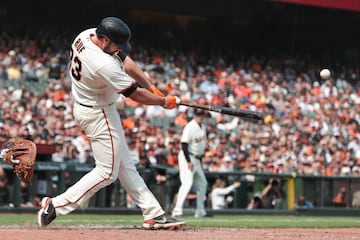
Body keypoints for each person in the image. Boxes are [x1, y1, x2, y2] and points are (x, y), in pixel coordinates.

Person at [37, 16, 184, 230]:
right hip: (98, 112)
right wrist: (163, 102)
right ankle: (55, 205)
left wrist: (151, 86)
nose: (120, 49)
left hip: (92, 106)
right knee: (107, 171)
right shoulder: (102, 63)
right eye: (117, 44)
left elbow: (124, 60)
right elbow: (135, 96)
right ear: (105, 40)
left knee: (125, 164)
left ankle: (153, 213)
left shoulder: (87, 34)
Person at [171, 108, 210, 218]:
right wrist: (188, 161)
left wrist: (199, 162)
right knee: (187, 183)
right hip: (187, 157)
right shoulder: (190, 126)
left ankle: (200, 210)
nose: (201, 116)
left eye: (202, 115)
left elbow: (200, 147)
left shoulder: (202, 127)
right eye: (199, 114)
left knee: (203, 183)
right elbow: (184, 144)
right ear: (195, 115)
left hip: (197, 159)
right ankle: (177, 210)